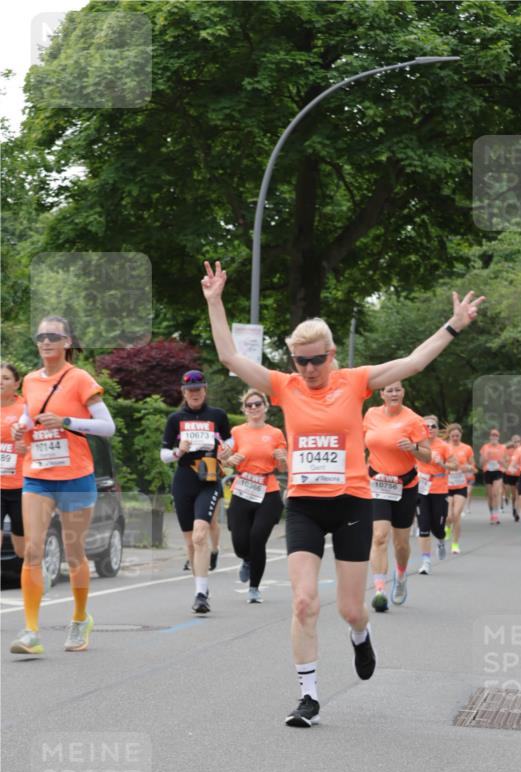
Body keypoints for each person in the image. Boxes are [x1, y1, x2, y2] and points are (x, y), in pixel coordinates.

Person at [201, 260, 483, 727]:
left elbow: (412, 362)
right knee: (304, 601)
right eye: (301, 360)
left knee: (351, 609)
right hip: (306, 506)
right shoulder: (284, 386)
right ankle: (309, 696)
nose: (309, 369)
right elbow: (231, 358)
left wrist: (453, 325)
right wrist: (215, 301)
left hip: (353, 502)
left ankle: (359, 635)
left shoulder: (354, 381)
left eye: (317, 359)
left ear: (332, 354)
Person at [9, 317, 115, 655]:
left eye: (53, 335)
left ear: (67, 341)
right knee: (33, 551)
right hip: (37, 475)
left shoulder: (80, 378)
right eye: (41, 336)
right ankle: (30, 632)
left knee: (73, 554)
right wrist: (19, 431)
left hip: (74, 476)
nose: (46, 341)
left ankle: (80, 617)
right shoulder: (29, 380)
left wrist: (67, 422)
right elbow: (30, 416)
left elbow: (107, 426)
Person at [160, 369, 231, 613]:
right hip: (184, 481)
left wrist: (226, 452)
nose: (195, 394)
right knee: (191, 542)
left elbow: (229, 443)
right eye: (190, 390)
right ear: (183, 392)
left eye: (199, 389)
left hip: (209, 480)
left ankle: (201, 595)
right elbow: (164, 455)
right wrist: (179, 451)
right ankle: (200, 585)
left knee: (201, 534)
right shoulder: (175, 419)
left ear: (205, 390)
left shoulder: (218, 416)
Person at [363, 382, 430, 609]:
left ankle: (400, 576)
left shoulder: (414, 420)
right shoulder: (370, 415)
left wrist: (413, 448)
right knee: (379, 536)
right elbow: (359, 442)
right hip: (378, 483)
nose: (393, 393)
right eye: (389, 390)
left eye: (397, 390)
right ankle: (379, 590)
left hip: (406, 485)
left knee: (401, 544)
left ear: (403, 392)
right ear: (381, 394)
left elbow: (427, 457)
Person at [223, 388, 287, 603]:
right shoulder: (237, 432)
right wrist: (227, 460)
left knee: (258, 538)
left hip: (267, 490)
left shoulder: (276, 434)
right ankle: (247, 559)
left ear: (265, 406)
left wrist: (282, 458)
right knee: (240, 542)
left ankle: (254, 588)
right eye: (249, 405)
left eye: (257, 404)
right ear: (244, 409)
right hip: (243, 489)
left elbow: (282, 467)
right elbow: (226, 460)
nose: (253, 408)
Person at [416, 416, 450, 574]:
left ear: (437, 429)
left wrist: (442, 463)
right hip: (422, 489)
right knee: (423, 525)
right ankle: (426, 561)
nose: (430, 428)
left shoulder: (444, 446)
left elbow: (455, 465)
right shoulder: (417, 444)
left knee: (438, 527)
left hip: (439, 489)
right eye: (426, 426)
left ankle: (441, 541)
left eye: (433, 426)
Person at [1, 363, 27, 566]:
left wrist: (26, 447)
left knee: (21, 548)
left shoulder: (25, 408)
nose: (1, 381)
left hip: (22, 485)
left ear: (17, 383)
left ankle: (36, 570)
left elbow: (40, 439)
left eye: (6, 378)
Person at [444, 423, 475, 554]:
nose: (455, 438)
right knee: (448, 516)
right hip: (446, 486)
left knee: (456, 515)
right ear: (449, 436)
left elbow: (473, 466)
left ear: (461, 435)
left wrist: (468, 468)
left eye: (457, 435)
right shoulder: (444, 448)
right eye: (453, 436)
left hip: (461, 485)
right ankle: (447, 527)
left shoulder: (467, 448)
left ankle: (455, 544)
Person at [479, 428, 507, 524]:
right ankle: (491, 514)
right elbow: (481, 463)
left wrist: (502, 462)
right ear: (490, 437)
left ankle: (496, 515)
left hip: (498, 471)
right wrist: (485, 459)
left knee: (496, 493)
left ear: (498, 437)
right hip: (487, 472)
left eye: (496, 435)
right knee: (490, 495)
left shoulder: (502, 448)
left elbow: (505, 464)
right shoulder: (485, 447)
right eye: (492, 435)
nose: (494, 437)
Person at [503, 434, 521, 521]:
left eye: (518, 441)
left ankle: (517, 512)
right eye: (515, 441)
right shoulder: (508, 450)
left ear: (520, 442)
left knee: (518, 494)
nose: (516, 443)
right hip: (511, 475)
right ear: (512, 442)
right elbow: (505, 462)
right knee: (514, 495)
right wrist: (509, 468)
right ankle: (514, 508)